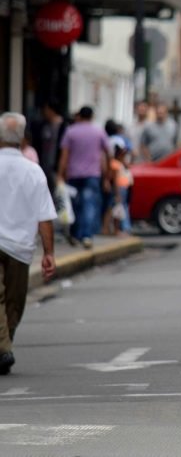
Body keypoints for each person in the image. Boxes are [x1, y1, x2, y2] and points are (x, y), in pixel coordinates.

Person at [0, 112, 57, 375]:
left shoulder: (33, 171)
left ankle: (3, 346)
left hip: (17, 247)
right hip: (20, 248)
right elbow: (45, 217)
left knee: (10, 302)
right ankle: (3, 347)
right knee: (13, 301)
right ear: (22, 138)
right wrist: (49, 253)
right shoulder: (33, 171)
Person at [57, 106, 111, 249]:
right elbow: (108, 152)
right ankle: (86, 235)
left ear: (79, 116)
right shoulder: (99, 131)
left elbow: (64, 155)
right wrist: (107, 174)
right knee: (89, 204)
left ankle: (75, 234)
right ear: (92, 117)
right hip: (92, 174)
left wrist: (60, 174)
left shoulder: (71, 131)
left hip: (73, 174)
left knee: (75, 205)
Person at [31, 101, 68, 192]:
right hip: (43, 163)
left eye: (46, 110)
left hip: (55, 165)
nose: (44, 112)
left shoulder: (64, 127)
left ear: (52, 110)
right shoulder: (42, 125)